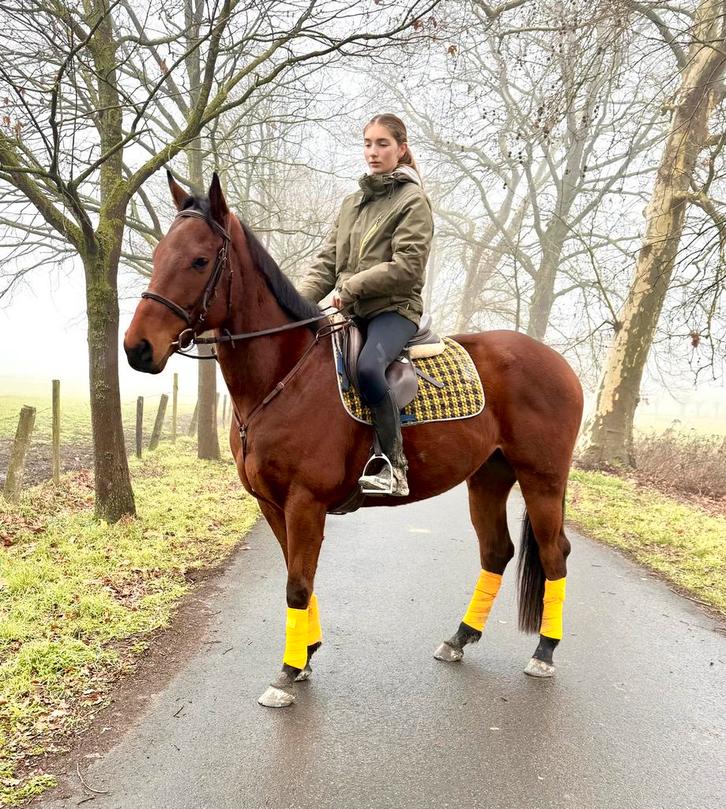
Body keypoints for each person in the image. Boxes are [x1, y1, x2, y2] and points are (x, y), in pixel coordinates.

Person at [297, 113, 434, 496]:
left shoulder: (413, 200)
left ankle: (394, 466)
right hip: (353, 311)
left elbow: (407, 266)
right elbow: (327, 263)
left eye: (382, 144)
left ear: (401, 149)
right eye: (368, 143)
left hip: (395, 310)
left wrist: (352, 287)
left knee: (369, 367)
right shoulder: (352, 204)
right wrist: (293, 304)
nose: (373, 152)